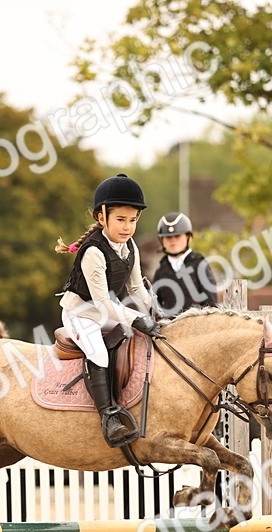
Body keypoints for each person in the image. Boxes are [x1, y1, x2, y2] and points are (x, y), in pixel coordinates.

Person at [55, 173, 160, 447]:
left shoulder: (130, 246)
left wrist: (155, 313)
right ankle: (109, 416)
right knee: (99, 353)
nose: (127, 227)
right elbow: (103, 303)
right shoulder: (93, 252)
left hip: (105, 313)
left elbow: (136, 289)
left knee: (136, 339)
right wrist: (137, 318)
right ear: (101, 217)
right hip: (80, 313)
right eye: (121, 220)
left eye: (133, 220)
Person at [150, 212, 221, 318]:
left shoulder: (199, 264)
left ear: (189, 237)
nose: (173, 241)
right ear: (162, 240)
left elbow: (212, 304)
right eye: (168, 237)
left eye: (177, 236)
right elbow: (156, 308)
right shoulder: (160, 271)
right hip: (170, 326)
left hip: (197, 324)